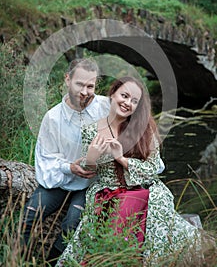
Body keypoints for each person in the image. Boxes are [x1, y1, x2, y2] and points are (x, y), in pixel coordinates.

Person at [57, 76, 208, 266]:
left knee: (134, 203)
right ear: (113, 94)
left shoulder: (144, 129)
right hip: (107, 190)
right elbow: (89, 171)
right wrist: (91, 158)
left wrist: (122, 159)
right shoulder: (90, 130)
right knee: (109, 216)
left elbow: (153, 169)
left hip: (144, 188)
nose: (127, 103)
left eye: (134, 101)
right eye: (124, 96)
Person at [22, 58, 110, 266]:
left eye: (91, 86)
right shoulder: (52, 118)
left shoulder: (106, 107)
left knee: (72, 223)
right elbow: (45, 160)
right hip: (62, 178)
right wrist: (70, 167)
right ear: (68, 79)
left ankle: (52, 263)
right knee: (27, 216)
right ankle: (18, 260)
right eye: (80, 84)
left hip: (92, 183)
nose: (85, 92)